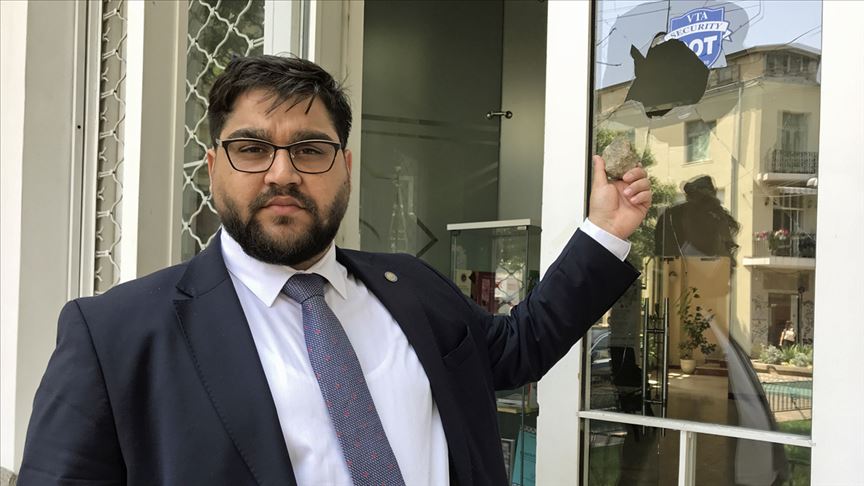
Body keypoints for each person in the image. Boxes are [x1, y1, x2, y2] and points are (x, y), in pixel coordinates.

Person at [19, 55, 652, 486]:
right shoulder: (116, 336)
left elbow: (518, 347)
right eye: (252, 148)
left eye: (310, 149)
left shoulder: (411, 287)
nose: (283, 173)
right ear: (213, 168)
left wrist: (606, 230)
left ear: (345, 167)